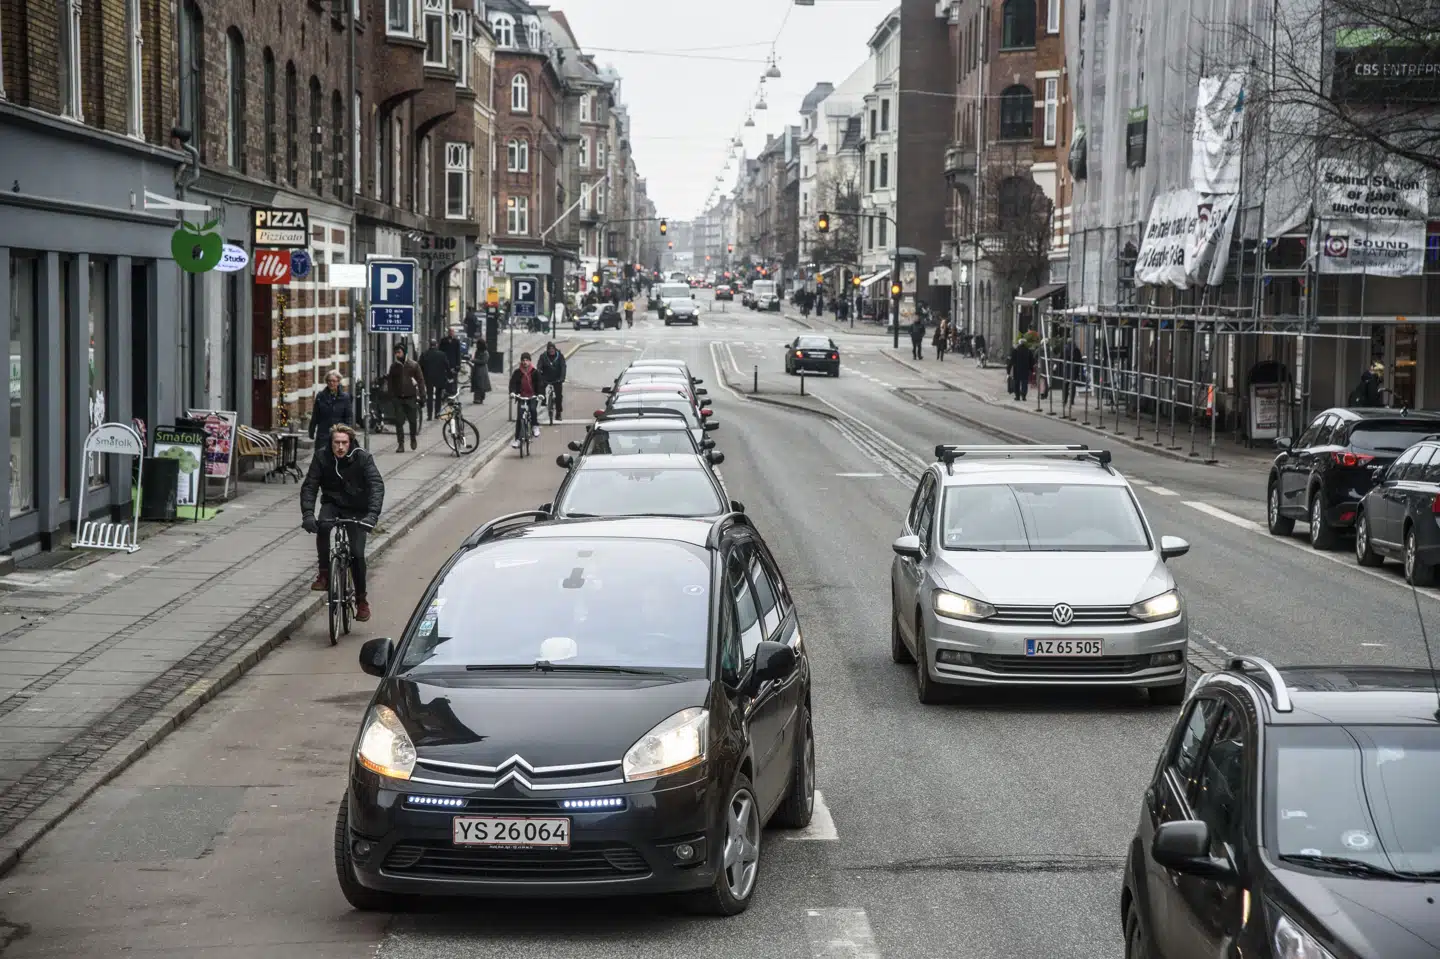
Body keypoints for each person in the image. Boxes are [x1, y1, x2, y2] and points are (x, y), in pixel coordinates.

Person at [301, 424, 383, 623]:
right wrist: (308, 515)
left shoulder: (363, 458)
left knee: (356, 554)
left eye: (344, 443)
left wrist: (371, 515)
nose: (340, 447)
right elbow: (310, 486)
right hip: (333, 503)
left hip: (357, 508)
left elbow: (376, 486)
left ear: (350, 442)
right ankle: (324, 575)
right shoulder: (322, 457)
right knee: (323, 526)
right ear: (331, 443)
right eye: (336, 442)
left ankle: (361, 601)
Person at [387, 345, 425, 452]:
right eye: (395, 353)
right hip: (398, 399)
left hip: (411, 398)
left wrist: (423, 396)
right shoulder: (394, 367)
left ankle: (413, 438)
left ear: (404, 352)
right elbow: (390, 383)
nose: (397, 355)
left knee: (413, 421)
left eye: (399, 352)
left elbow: (421, 381)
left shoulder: (413, 365)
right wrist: (392, 397)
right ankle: (401, 444)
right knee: (399, 422)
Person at [308, 370, 353, 444]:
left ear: (338, 382)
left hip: (339, 435)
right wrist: (311, 431)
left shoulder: (345, 398)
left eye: (334, 381)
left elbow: (348, 417)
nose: (331, 383)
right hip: (323, 434)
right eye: (329, 381)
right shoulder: (320, 396)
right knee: (321, 454)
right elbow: (315, 415)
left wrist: (348, 433)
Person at [509, 353, 544, 448]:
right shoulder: (517, 372)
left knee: (533, 409)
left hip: (532, 396)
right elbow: (513, 383)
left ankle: (535, 426)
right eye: (523, 360)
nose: (525, 362)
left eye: (527, 360)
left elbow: (540, 383)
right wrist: (512, 392)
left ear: (530, 361)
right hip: (521, 397)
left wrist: (540, 394)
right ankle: (517, 439)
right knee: (520, 416)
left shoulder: (534, 372)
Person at [419, 340, 451, 421]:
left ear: (429, 345)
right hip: (439, 378)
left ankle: (429, 416)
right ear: (436, 345)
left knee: (429, 396)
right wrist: (450, 375)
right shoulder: (442, 354)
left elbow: (419, 366)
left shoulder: (424, 354)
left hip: (428, 378)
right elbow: (447, 366)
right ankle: (437, 414)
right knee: (438, 396)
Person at [537, 341, 567, 419]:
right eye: (549, 349)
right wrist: (539, 371)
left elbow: (563, 367)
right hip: (546, 377)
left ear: (555, 349)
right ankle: (543, 400)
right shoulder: (543, 356)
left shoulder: (560, 356)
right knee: (540, 385)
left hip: (557, 378)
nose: (551, 350)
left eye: (552, 349)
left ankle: (558, 413)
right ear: (547, 350)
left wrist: (562, 378)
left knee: (559, 396)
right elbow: (539, 366)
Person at [1009, 337, 1035, 401]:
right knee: (1024, 383)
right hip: (1025, 369)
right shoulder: (1028, 351)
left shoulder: (1015, 350)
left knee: (1016, 383)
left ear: (1019, 343)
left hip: (1017, 369)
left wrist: (1009, 369)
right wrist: (1031, 369)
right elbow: (1031, 361)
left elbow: (1012, 361)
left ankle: (1017, 396)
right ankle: (1024, 396)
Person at [470, 338, 492, 404]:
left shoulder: (485, 353)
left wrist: (473, 360)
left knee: (480, 384)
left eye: (478, 344)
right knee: (477, 384)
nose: (476, 345)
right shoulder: (478, 351)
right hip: (477, 369)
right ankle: (477, 398)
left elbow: (483, 361)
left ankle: (479, 398)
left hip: (482, 370)